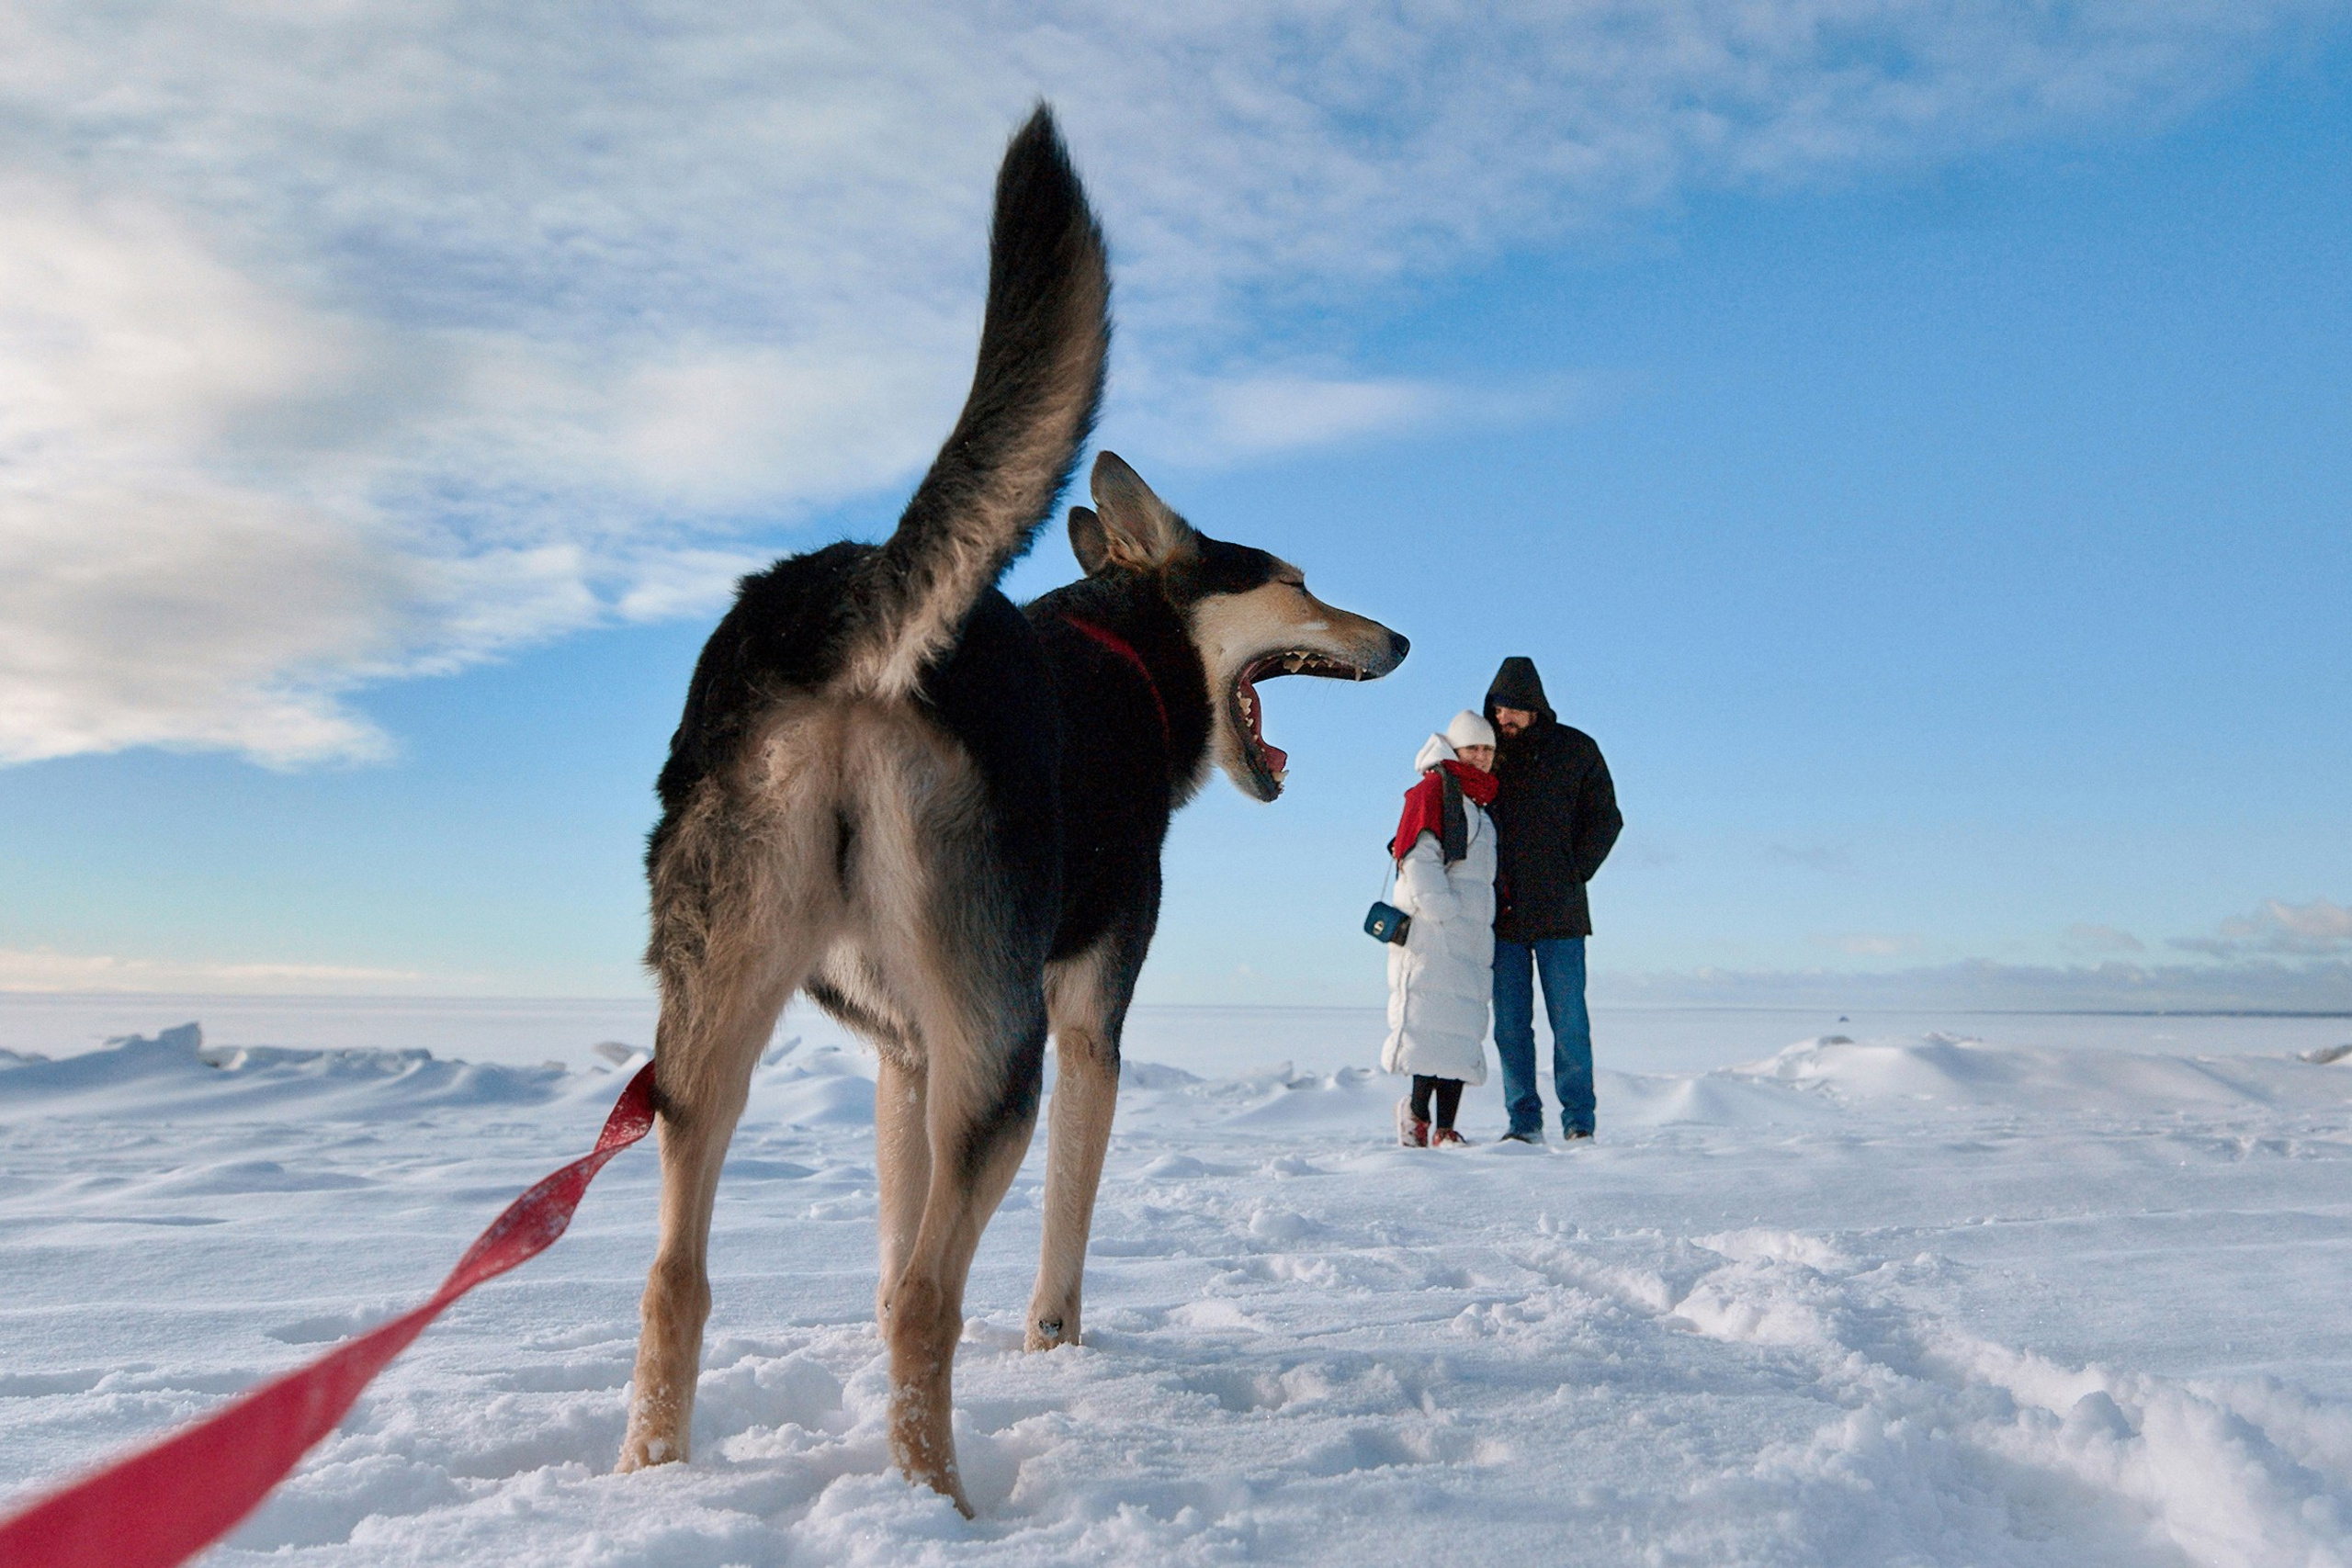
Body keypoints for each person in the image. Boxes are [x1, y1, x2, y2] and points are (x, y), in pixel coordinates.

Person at [1485, 657, 1622, 1143]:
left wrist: (1573, 872)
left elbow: (1606, 819)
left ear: (1535, 708)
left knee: (1570, 1025)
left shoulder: (1576, 750)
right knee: (1510, 1028)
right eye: (1498, 709)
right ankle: (1523, 1123)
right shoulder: (1485, 753)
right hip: (1501, 914)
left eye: (1512, 709)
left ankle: (1579, 1122)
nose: (1503, 718)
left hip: (1561, 914)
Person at [1381, 711, 1500, 1147]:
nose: (1481, 756)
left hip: (1469, 937)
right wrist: (1443, 909)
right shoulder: (1435, 790)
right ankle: (1417, 1117)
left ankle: (1446, 1128)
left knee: (1458, 1034)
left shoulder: (1475, 802)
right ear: (1455, 749)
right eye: (1473, 748)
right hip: (1434, 935)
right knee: (1429, 1029)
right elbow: (1417, 856)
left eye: (1488, 749)